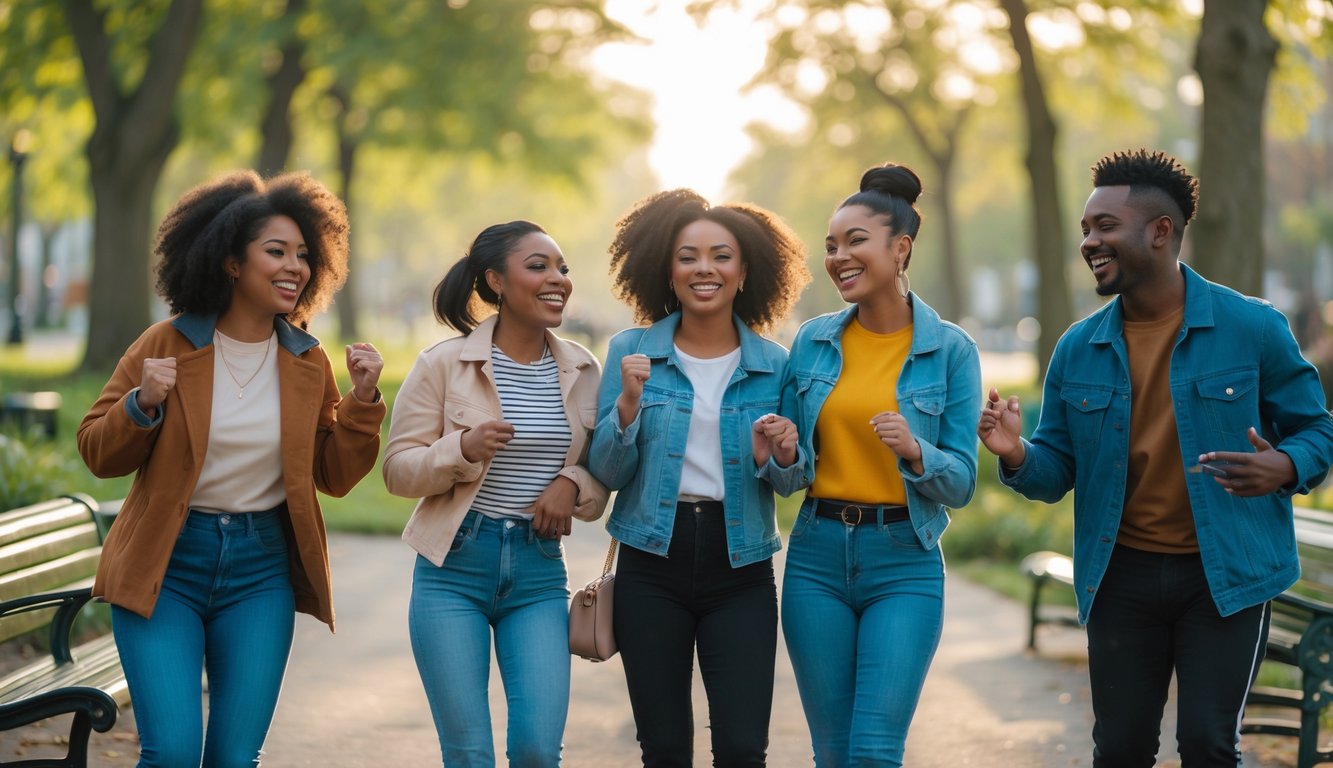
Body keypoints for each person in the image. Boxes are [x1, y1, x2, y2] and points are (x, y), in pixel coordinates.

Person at [977, 149, 1333, 765]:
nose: (1090, 241)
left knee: (1207, 742)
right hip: (1121, 577)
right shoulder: (1077, 348)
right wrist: (1015, 455)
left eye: (1105, 227)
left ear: (1160, 232)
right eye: (1086, 229)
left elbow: (1317, 430)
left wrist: (1286, 466)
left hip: (1226, 577)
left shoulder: (1254, 328)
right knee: (1119, 748)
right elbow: (1054, 472)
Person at [77, 170, 386, 767]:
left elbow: (334, 475)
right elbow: (96, 451)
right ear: (229, 263)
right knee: (170, 753)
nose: (295, 267)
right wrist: (141, 405)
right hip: (165, 566)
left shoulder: (306, 358)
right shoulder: (164, 344)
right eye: (276, 252)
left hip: (259, 571)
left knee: (234, 759)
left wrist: (362, 404)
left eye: (303, 255)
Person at [768, 163, 980, 767]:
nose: (838, 257)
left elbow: (961, 482)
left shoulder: (951, 351)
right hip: (816, 557)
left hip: (904, 563)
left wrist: (916, 450)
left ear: (901, 247)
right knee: (833, 753)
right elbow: (790, 478)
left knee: (873, 750)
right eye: (831, 246)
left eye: (856, 241)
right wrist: (783, 450)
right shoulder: (811, 342)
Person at [588, 189, 810, 767]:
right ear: (667, 269)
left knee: (741, 747)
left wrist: (783, 453)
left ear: (744, 272)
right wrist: (628, 409)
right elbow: (607, 471)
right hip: (650, 564)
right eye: (688, 256)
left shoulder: (775, 363)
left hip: (740, 566)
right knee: (663, 749)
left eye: (721, 256)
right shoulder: (630, 352)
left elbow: (790, 483)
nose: (703, 268)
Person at [382, 221, 609, 767]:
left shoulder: (583, 368)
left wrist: (571, 482)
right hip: (452, 569)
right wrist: (460, 449)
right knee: (469, 753)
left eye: (562, 268)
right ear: (495, 281)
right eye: (538, 267)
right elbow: (397, 471)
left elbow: (602, 475)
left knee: (536, 750)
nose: (557, 279)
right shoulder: (443, 363)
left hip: (537, 573)